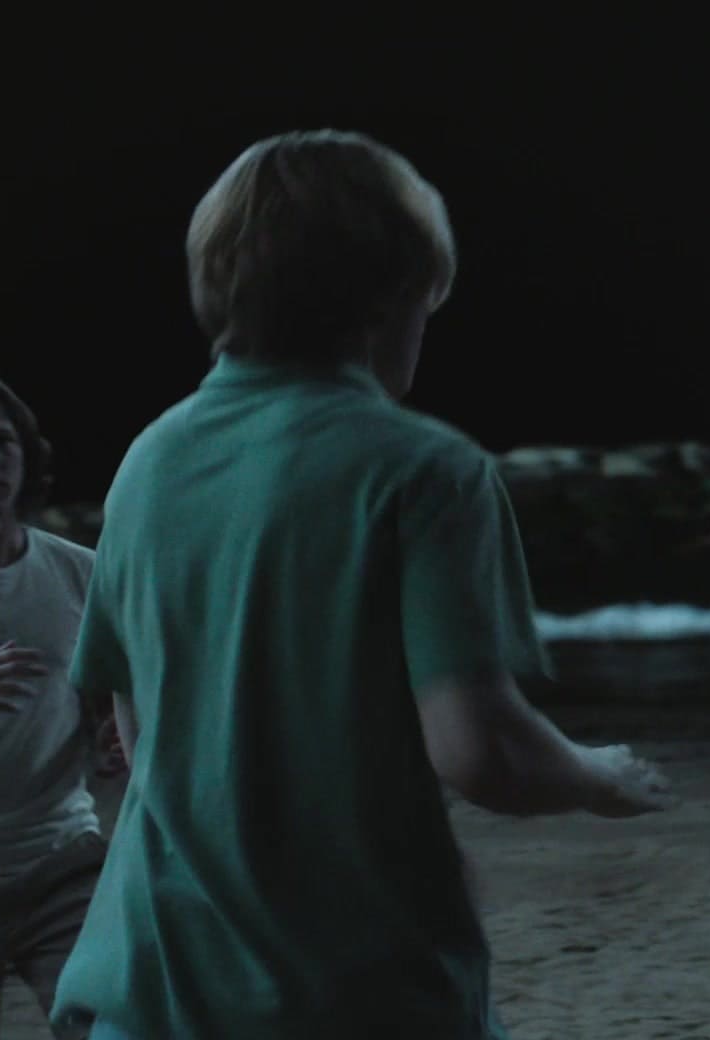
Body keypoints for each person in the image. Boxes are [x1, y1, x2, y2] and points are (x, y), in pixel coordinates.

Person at [49, 129, 674, 1040]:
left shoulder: (146, 465)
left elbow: (143, 724)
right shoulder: (423, 471)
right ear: (389, 299)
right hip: (349, 995)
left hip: (150, 981)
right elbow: (482, 753)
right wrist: (596, 776)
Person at [0, 370, 125, 1040]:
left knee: (111, 1028)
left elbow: (113, 688)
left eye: (1, 440)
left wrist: (111, 729)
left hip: (62, 859)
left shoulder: (78, 571)